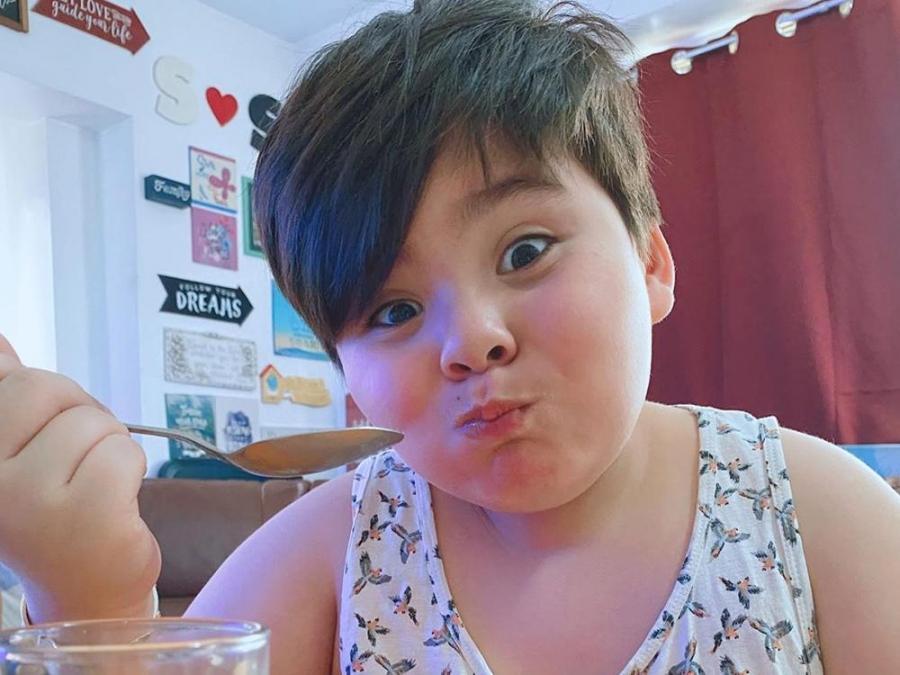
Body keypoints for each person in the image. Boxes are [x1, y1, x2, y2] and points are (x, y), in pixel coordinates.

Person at [1, 1, 897, 672]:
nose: (471, 340)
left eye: (525, 250)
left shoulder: (811, 511)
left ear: (651, 261)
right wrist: (95, 599)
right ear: (349, 379)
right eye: (392, 311)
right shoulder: (339, 547)